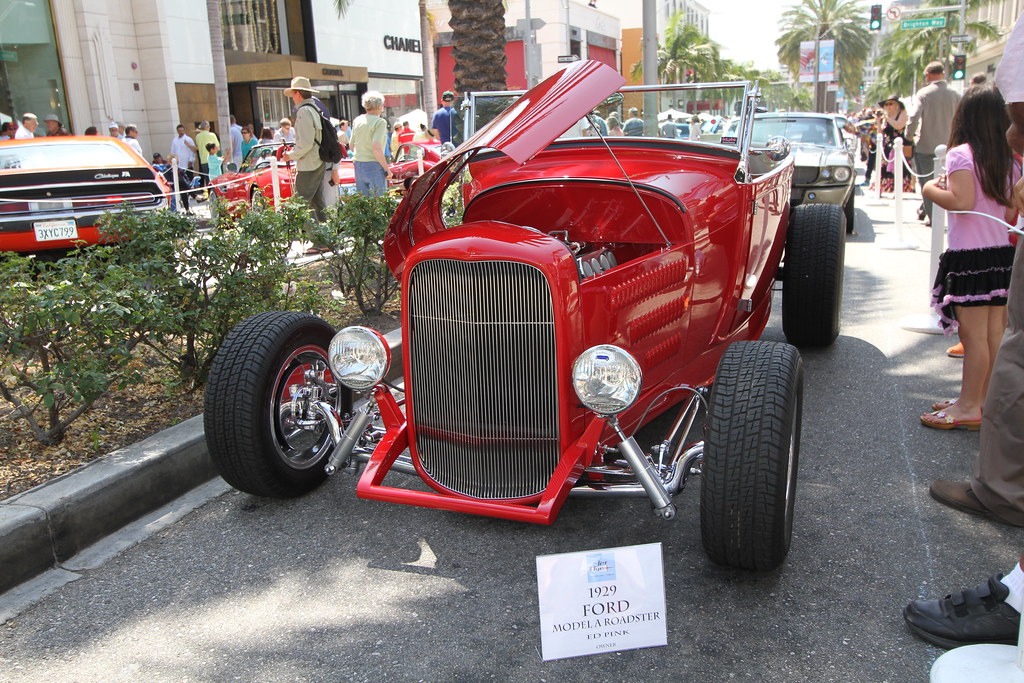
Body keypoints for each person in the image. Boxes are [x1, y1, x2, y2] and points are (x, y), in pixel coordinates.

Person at [926, 7, 1024, 524]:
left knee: (976, 333)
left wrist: (927, 186)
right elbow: (1011, 211)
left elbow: (958, 200)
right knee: (990, 335)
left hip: (969, 257)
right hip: (1002, 255)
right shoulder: (1012, 159)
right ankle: (977, 400)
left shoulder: (962, 154)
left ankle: (968, 406)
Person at [908, 61, 961, 226]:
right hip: (950, 145)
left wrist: (909, 136)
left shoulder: (924, 94)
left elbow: (914, 117)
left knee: (927, 182)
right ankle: (925, 210)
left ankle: (933, 218)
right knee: (946, 181)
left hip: (926, 145)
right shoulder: (956, 94)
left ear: (928, 75)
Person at [281, 76, 327, 222]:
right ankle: (326, 238)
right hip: (318, 160)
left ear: (298, 94)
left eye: (293, 94)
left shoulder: (304, 111)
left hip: (309, 163)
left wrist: (291, 155)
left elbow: (306, 143)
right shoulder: (314, 108)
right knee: (317, 202)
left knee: (301, 204)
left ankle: (318, 239)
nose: (292, 98)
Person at [350, 89, 392, 195]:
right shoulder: (380, 122)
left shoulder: (357, 120)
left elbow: (351, 145)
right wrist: (387, 169)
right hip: (374, 164)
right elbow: (376, 147)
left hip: (358, 164)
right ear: (380, 106)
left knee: (363, 204)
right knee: (379, 203)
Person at [873, 96, 915, 195]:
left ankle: (899, 190)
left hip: (899, 145)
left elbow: (899, 125)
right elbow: (881, 133)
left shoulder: (902, 113)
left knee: (899, 168)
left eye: (890, 104)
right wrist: (879, 122)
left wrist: (887, 118)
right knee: (884, 168)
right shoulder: (886, 116)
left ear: (897, 105)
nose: (888, 106)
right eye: (886, 104)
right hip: (887, 145)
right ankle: (884, 188)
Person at [195, 121, 218, 194]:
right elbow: (217, 146)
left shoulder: (197, 137)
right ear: (208, 127)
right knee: (215, 178)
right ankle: (216, 194)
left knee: (207, 179)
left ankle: (209, 194)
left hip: (203, 160)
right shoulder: (212, 135)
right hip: (213, 159)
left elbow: (198, 147)